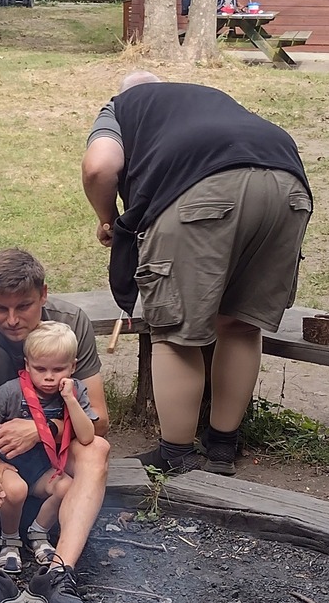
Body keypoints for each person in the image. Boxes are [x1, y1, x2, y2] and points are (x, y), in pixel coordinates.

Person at [80, 73, 311, 476]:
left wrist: (108, 219)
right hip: (287, 186)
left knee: (176, 332)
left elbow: (100, 167)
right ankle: (222, 447)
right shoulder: (209, 97)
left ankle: (177, 454)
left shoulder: (121, 106)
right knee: (240, 324)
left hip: (201, 192)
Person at [0, 249, 111, 603]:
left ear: (44, 295)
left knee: (97, 449)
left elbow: (100, 421)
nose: (13, 320)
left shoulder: (70, 325)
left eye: (25, 306)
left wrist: (41, 427)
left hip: (54, 446)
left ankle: (57, 575)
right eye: (0, 309)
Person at [0, 322, 100, 586]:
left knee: (66, 486)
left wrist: (71, 400)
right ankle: (9, 540)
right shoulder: (12, 391)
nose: (49, 377)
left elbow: (87, 436)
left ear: (73, 366)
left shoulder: (75, 391)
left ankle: (39, 532)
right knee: (15, 490)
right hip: (11, 465)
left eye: (58, 369)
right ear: (27, 365)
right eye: (41, 369)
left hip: (45, 466)